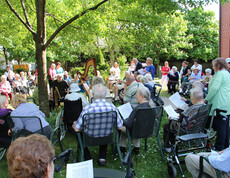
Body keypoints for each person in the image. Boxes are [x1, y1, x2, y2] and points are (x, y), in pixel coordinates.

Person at [72, 84, 123, 165]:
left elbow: (77, 129)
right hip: (107, 138)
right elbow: (120, 126)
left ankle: (87, 157)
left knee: (78, 132)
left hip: (90, 139)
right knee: (104, 129)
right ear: (105, 94)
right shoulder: (112, 108)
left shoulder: (87, 109)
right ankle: (102, 157)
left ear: (92, 94)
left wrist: (74, 124)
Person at [119, 87, 155, 154]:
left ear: (142, 96)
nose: (136, 96)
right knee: (137, 125)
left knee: (121, 128)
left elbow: (128, 124)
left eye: (137, 95)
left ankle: (122, 148)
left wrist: (122, 120)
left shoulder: (138, 109)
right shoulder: (152, 106)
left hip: (135, 131)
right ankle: (136, 148)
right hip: (148, 130)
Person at [205, 58, 230, 151]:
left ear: (218, 66)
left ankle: (219, 147)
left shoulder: (220, 74)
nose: (213, 67)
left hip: (220, 103)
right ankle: (226, 145)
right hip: (226, 103)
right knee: (225, 125)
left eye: (213, 65)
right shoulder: (227, 73)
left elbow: (214, 89)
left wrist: (207, 99)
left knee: (220, 127)